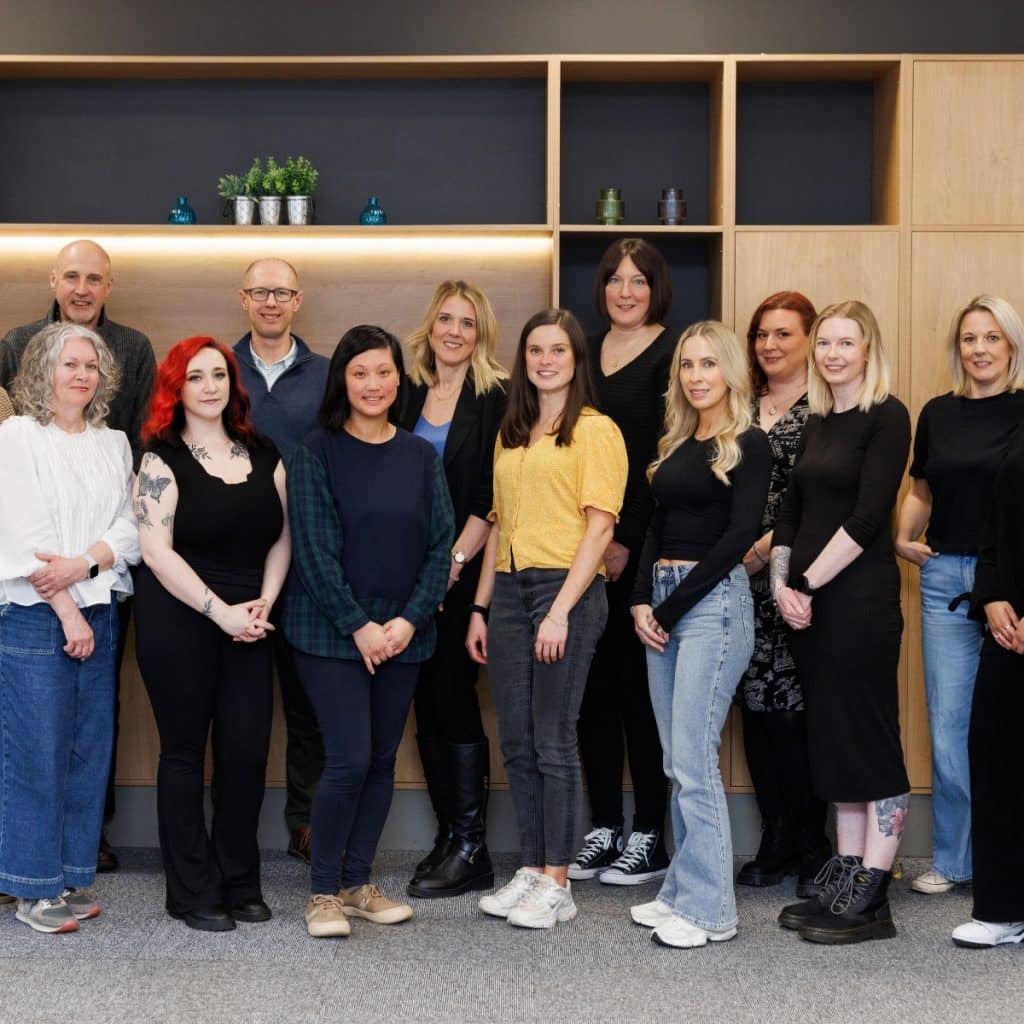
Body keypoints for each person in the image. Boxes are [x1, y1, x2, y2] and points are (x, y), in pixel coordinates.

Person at [283, 325, 453, 939]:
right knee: (349, 759)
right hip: (330, 631)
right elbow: (314, 550)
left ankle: (358, 883)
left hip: (403, 632)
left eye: (384, 372)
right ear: (343, 381)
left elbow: (440, 546)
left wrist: (408, 620)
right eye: (360, 373)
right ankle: (324, 891)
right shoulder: (316, 452)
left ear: (399, 381)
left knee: (382, 760)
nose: (373, 384)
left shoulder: (419, 456)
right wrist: (359, 625)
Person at [468, 308, 627, 930]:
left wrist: (560, 611)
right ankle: (533, 868)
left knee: (553, 739)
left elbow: (600, 528)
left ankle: (558, 881)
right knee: (517, 739)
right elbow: (499, 525)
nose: (545, 360)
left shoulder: (596, 431)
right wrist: (480, 607)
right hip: (509, 590)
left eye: (558, 349)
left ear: (576, 358)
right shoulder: (513, 433)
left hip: (567, 590)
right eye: (535, 350)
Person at [0, 239, 156, 873]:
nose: (82, 374)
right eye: (69, 364)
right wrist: (67, 604)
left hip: (101, 605)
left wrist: (86, 565)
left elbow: (130, 526)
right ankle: (31, 881)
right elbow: (21, 534)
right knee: (34, 752)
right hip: (38, 613)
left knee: (89, 750)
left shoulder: (113, 442)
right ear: (43, 370)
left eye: (91, 366)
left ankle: (68, 874)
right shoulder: (17, 435)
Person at [133, 336, 290, 932]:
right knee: (183, 751)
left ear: (232, 384)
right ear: (175, 388)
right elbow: (155, 550)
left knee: (246, 753)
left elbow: (283, 536)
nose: (209, 386)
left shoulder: (264, 451)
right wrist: (220, 612)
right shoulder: (160, 458)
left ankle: (239, 879)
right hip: (181, 615)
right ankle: (192, 889)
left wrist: (263, 602)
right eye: (195, 376)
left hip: (252, 617)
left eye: (218, 375)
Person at [771, 300, 911, 945]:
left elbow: (867, 517)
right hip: (811, 607)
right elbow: (791, 513)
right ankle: (849, 876)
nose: (832, 354)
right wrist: (782, 583)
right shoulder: (819, 421)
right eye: (824, 343)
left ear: (867, 350)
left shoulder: (888, 416)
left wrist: (805, 583)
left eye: (845, 343)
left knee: (870, 740)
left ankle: (874, 894)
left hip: (860, 604)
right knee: (835, 740)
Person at [628, 320, 770, 949]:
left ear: (730, 371)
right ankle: (682, 892)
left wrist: (672, 607)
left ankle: (712, 911)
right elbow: (656, 526)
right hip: (665, 600)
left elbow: (739, 537)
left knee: (693, 761)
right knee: (674, 760)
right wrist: (641, 599)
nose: (696, 375)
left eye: (708, 363)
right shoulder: (680, 443)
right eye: (687, 365)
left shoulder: (749, 444)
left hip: (712, 605)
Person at [897, 295, 1024, 898]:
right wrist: (902, 536)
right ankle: (954, 861)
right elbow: (922, 488)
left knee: (1008, 726)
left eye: (992, 337)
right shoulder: (938, 413)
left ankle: (1007, 863)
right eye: (970, 338)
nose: (980, 349)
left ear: (1012, 346)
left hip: (1013, 585)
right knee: (949, 728)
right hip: (946, 579)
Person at [400, 280, 508, 898]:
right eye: (446, 319)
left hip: (462, 573)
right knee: (422, 701)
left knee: (453, 696)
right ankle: (448, 837)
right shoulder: (407, 390)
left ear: (481, 334)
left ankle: (473, 848)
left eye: (468, 323)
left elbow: (492, 496)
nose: (455, 331)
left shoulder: (494, 398)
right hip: (404, 576)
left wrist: (453, 563)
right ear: (431, 325)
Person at [570, 238, 673, 886]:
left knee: (641, 697)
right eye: (615, 279)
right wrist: (591, 538)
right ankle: (604, 825)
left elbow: (669, 459)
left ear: (656, 289)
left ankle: (650, 833)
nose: (626, 291)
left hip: (643, 549)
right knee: (591, 694)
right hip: (581, 548)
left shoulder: (674, 354)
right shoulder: (582, 351)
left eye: (638, 281)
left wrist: (625, 539)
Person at [233, 257, 329, 865]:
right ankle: (230, 828)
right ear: (243, 299)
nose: (271, 302)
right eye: (260, 292)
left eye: (282, 292)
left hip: (307, 561)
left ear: (298, 300)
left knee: (308, 701)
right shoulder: (217, 368)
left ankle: (307, 820)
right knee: (236, 704)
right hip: (233, 560)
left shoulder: (327, 375)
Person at [735, 292, 832, 895]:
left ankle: (813, 843)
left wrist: (762, 550)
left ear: (809, 340)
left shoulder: (825, 409)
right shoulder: (738, 406)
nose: (769, 345)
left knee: (796, 715)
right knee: (755, 711)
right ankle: (775, 837)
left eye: (783, 334)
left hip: (799, 579)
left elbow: (823, 498)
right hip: (734, 584)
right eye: (761, 334)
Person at [951, 421, 1024, 948]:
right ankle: (1002, 910)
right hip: (1008, 623)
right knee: (995, 751)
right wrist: (991, 595)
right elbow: (997, 529)